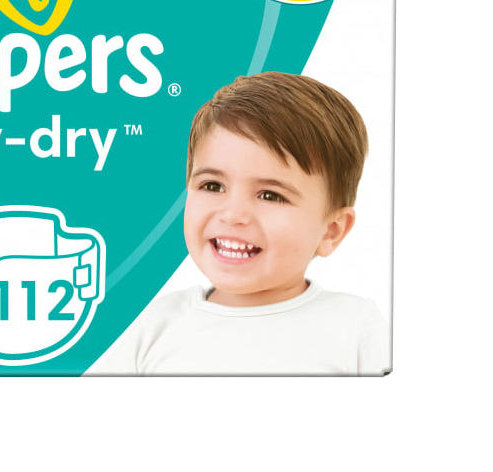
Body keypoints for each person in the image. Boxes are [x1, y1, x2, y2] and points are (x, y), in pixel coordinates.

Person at [90, 72, 389, 375]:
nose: (233, 214)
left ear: (331, 231)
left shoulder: (355, 328)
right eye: (213, 186)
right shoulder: (150, 324)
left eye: (270, 195)